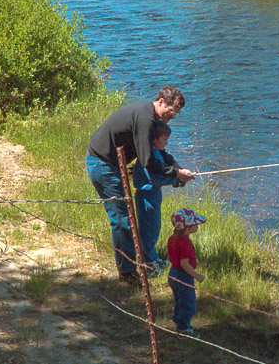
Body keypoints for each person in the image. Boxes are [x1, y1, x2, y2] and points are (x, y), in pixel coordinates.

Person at [86, 85, 196, 286]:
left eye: (176, 113)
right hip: (102, 164)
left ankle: (135, 263)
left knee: (126, 219)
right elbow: (147, 162)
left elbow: (157, 151)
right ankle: (127, 272)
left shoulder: (152, 116)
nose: (173, 117)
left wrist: (175, 165)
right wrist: (176, 174)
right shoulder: (146, 119)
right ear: (161, 102)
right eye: (172, 111)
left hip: (110, 164)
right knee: (122, 220)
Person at [133, 121, 184, 275]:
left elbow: (167, 161)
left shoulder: (157, 151)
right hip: (146, 195)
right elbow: (155, 179)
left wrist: (179, 172)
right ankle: (149, 265)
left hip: (154, 193)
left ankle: (152, 256)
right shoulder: (147, 157)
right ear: (154, 139)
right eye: (165, 139)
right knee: (150, 228)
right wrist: (177, 179)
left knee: (154, 226)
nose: (167, 142)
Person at [167, 207, 207, 337]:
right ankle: (183, 329)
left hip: (172, 272)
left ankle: (178, 320)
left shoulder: (172, 238)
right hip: (183, 276)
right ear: (187, 228)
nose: (197, 226)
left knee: (179, 299)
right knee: (189, 303)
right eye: (195, 224)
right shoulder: (185, 243)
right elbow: (185, 263)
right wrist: (197, 276)